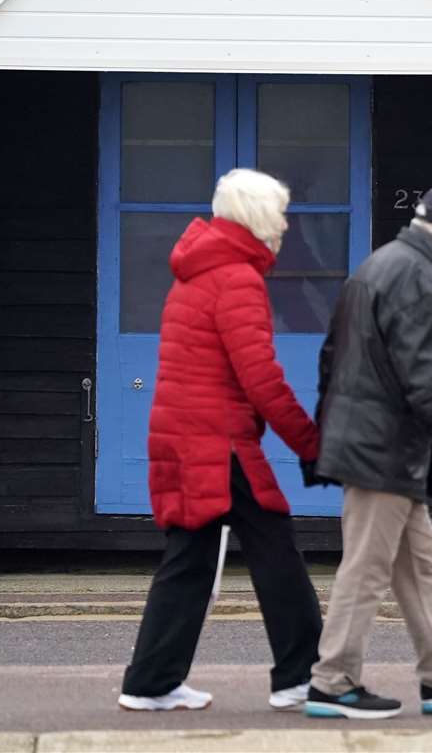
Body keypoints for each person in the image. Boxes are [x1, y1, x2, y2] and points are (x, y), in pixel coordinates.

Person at [304, 183, 432, 720]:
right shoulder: (420, 279)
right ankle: (332, 682)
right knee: (367, 568)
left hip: (376, 444)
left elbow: (331, 356)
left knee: (417, 565)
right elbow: (426, 384)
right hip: (382, 448)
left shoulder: (379, 265)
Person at [118, 168, 323, 712]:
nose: (284, 223)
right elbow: (260, 377)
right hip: (219, 442)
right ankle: (299, 676)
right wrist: (310, 442)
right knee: (274, 549)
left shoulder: (196, 270)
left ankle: (151, 681)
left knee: (190, 557)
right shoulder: (236, 278)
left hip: (188, 436)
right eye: (278, 212)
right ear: (258, 217)